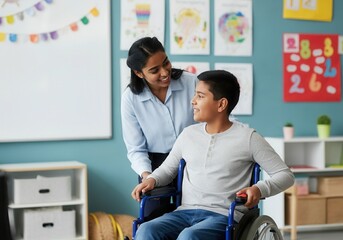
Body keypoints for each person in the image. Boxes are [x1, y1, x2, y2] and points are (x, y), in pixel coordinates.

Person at [131, 70, 295, 240]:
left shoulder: (248, 138)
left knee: (189, 237)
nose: (193, 101)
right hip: (184, 213)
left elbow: (285, 175)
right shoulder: (188, 135)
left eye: (200, 96)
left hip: (223, 216)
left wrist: (259, 189)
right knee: (146, 230)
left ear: (221, 104)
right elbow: (167, 169)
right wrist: (152, 179)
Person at [121, 37, 198, 182]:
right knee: (152, 204)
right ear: (139, 73)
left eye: (166, 63)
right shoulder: (130, 98)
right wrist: (147, 176)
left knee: (193, 204)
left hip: (194, 160)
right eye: (154, 70)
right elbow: (136, 148)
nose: (164, 72)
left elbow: (218, 117)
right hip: (154, 165)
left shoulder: (191, 82)